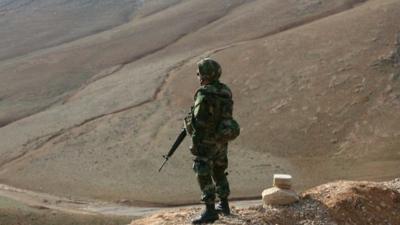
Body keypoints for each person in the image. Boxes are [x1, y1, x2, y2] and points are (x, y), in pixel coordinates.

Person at [184, 58, 238, 224]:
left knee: (203, 170)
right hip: (222, 137)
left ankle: (209, 211)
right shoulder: (225, 91)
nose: (199, 77)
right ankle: (224, 205)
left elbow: (199, 121)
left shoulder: (203, 93)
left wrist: (189, 128)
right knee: (219, 169)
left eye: (200, 74)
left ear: (205, 75)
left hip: (206, 141)